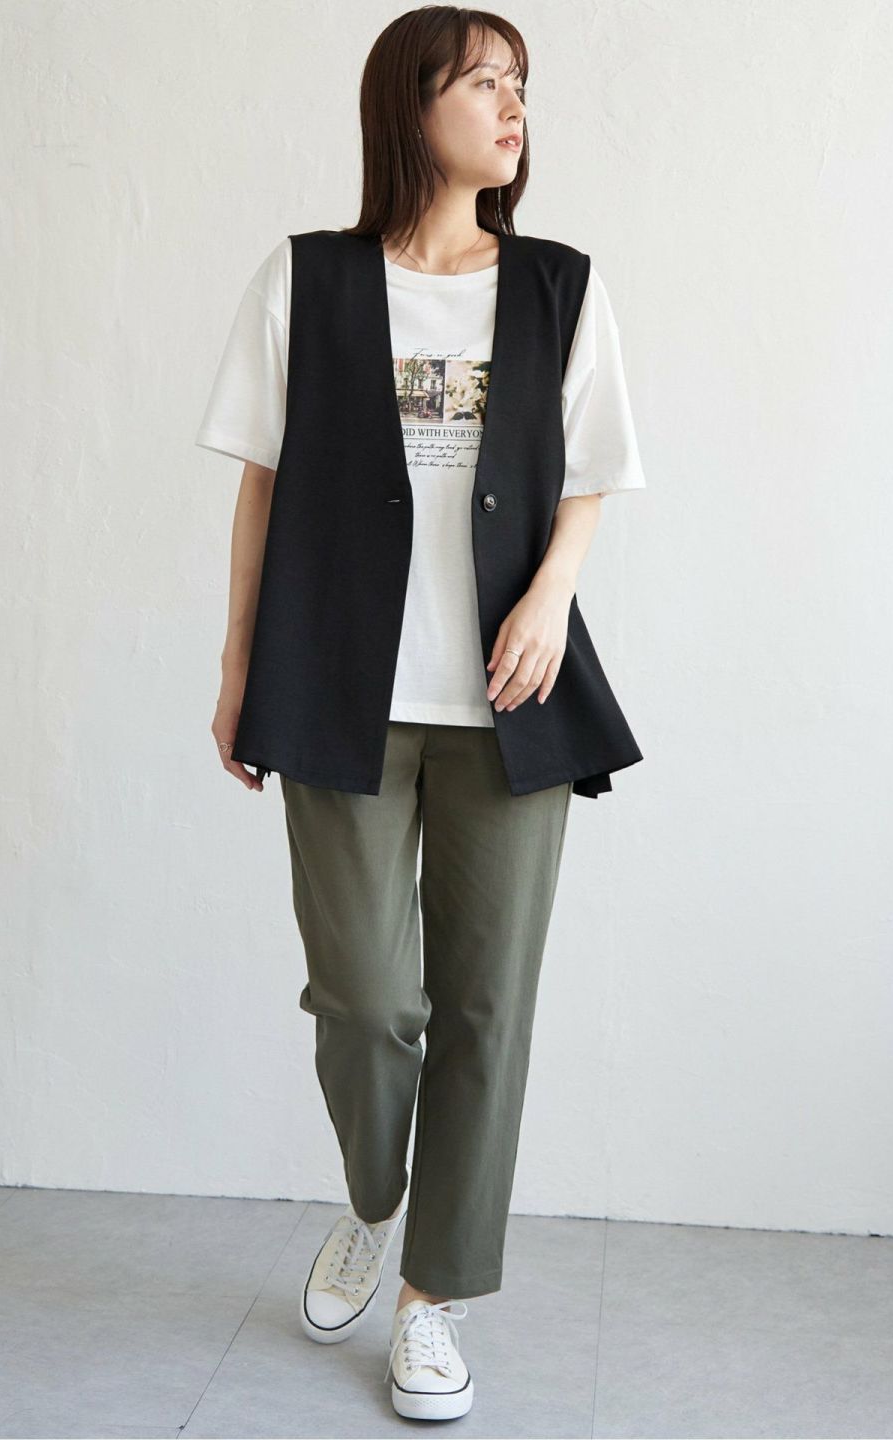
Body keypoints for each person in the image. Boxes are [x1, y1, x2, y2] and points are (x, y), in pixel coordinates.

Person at [195, 7, 646, 1422]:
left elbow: (591, 475)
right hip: (341, 690)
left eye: (522, 86)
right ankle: (375, 1197)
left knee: (487, 1008)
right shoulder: (308, 280)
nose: (513, 108)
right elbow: (262, 482)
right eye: (483, 82)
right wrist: (236, 668)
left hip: (510, 699)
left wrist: (551, 597)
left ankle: (431, 1301)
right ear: (411, 106)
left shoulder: (560, 286)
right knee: (369, 999)